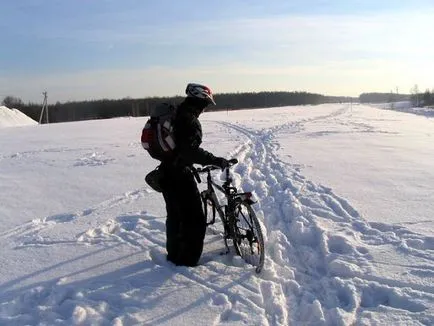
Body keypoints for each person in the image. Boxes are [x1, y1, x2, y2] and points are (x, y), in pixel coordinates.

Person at [159, 83, 229, 267]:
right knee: (194, 219)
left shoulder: (177, 113)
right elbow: (189, 151)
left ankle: (174, 256)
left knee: (175, 216)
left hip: (166, 172)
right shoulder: (188, 119)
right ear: (199, 100)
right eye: (206, 103)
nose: (205, 108)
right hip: (179, 175)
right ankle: (187, 262)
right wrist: (215, 160)